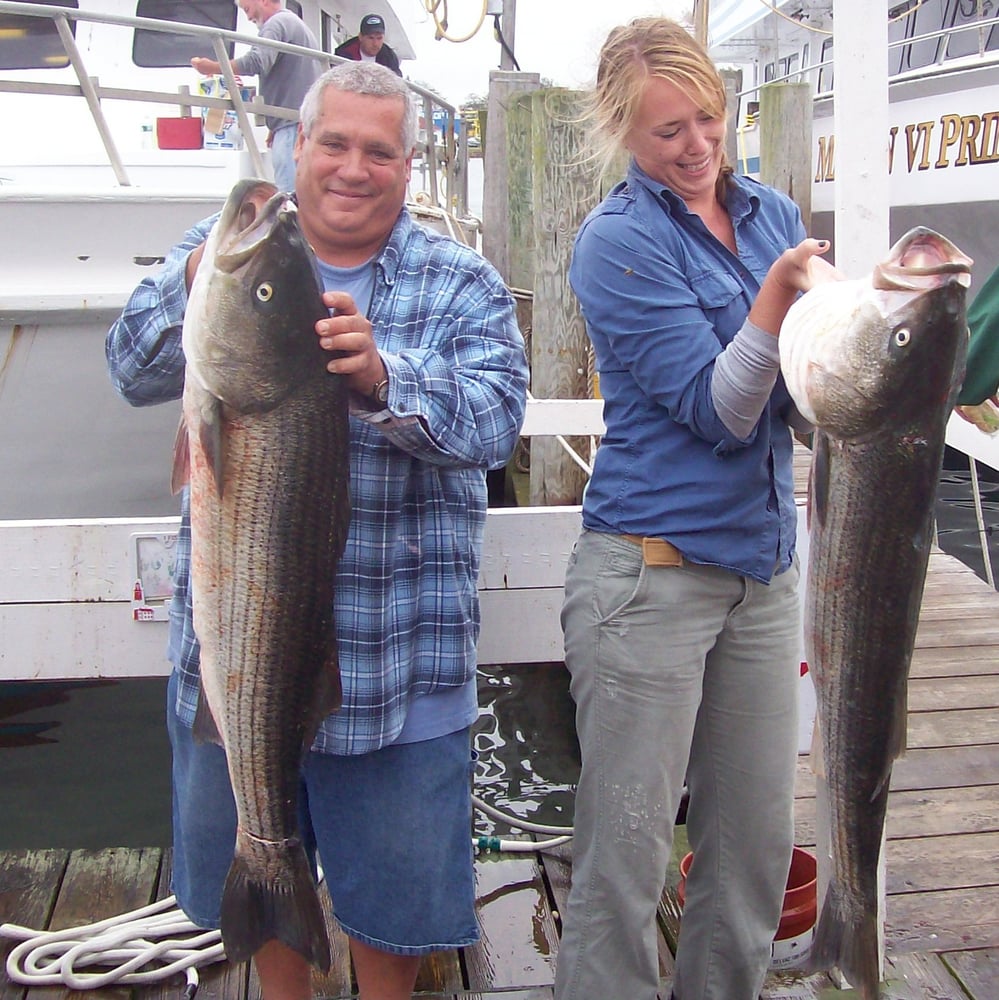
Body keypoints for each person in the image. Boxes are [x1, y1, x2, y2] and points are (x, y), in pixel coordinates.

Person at [106, 61, 528, 1000]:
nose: (352, 166)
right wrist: (192, 285)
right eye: (332, 142)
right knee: (258, 891)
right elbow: (128, 370)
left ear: (408, 168)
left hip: (397, 673)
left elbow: (496, 422)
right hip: (237, 665)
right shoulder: (225, 258)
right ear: (300, 146)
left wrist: (385, 379)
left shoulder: (462, 284)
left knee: (398, 912)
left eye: (378, 151)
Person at [552, 18, 838, 1000]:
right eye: (667, 129)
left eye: (708, 117)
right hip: (650, 579)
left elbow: (797, 401)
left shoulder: (771, 212)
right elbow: (720, 412)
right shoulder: (618, 244)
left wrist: (862, 350)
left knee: (754, 846)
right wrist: (774, 303)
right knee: (624, 860)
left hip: (761, 577)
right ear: (622, 132)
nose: (696, 144)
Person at [191, 0, 322, 193]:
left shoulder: (276, 23)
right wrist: (275, 124)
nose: (249, 17)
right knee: (300, 195)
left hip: (291, 128)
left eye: (247, 9)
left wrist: (212, 67)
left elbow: (257, 61)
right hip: (296, 123)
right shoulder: (294, 23)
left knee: (288, 200)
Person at [334, 13, 402, 76]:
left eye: (379, 38)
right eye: (371, 38)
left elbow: (397, 83)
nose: (375, 43)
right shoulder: (344, 53)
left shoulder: (389, 57)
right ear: (360, 37)